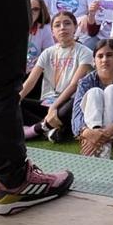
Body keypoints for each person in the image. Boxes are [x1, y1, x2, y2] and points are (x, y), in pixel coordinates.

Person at [18, 11, 93, 143]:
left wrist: (54, 107)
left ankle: (39, 128)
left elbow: (74, 85)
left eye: (67, 23)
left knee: (75, 103)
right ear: (52, 31)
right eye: (57, 25)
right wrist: (16, 99)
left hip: (68, 103)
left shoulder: (84, 52)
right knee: (13, 103)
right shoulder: (48, 53)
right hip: (48, 103)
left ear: (75, 27)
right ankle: (52, 128)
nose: (62, 27)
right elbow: (30, 81)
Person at [71, 38, 113, 159]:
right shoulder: (86, 81)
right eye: (100, 56)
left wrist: (104, 133)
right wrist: (87, 132)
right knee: (95, 92)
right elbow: (76, 114)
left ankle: (102, 150)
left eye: (109, 55)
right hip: (92, 130)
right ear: (94, 61)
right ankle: (98, 151)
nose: (104, 60)